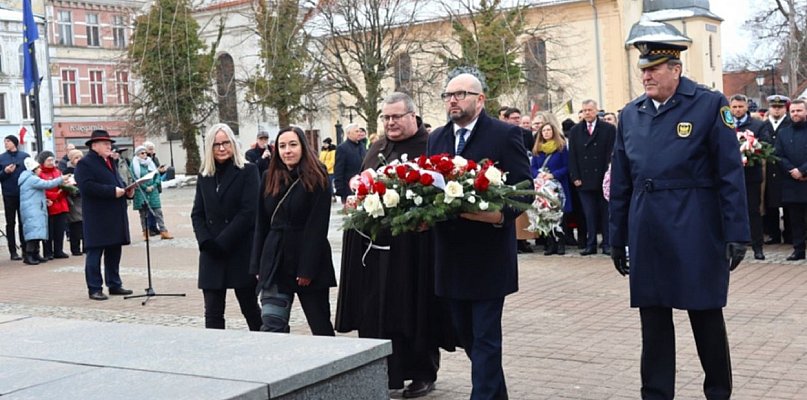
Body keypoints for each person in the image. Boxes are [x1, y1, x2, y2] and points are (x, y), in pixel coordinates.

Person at [609, 36, 750, 399]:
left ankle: (718, 390)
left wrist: (737, 232)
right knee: (653, 318)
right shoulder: (630, 114)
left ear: (676, 69)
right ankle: (655, 393)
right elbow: (622, 179)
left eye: (654, 69)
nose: (646, 76)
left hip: (695, 225)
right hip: (647, 226)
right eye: (643, 70)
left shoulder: (708, 105)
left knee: (704, 313)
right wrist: (617, 236)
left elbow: (730, 174)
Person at [336, 92, 455, 398]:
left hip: (416, 247)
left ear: (413, 116)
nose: (390, 123)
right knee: (380, 311)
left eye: (396, 117)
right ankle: (387, 373)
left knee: (416, 308)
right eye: (386, 117)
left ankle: (422, 372)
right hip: (376, 247)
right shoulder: (376, 147)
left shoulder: (430, 145)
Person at [427, 72, 532, 399]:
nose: (453, 100)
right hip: (450, 255)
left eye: (460, 94)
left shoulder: (504, 134)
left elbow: (524, 189)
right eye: (448, 95)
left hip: (488, 255)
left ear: (480, 99)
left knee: (486, 338)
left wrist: (500, 215)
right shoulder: (437, 138)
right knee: (467, 336)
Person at [250, 126, 336, 336]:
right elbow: (261, 223)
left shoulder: (318, 176)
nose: (287, 150)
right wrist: (258, 263)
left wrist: (307, 268)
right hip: (275, 259)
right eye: (282, 146)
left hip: (308, 261)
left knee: (320, 326)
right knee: (272, 326)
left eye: (292, 145)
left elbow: (317, 227)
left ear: (303, 147)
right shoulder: (268, 176)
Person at [191, 123, 262, 331]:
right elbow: (198, 213)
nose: (221, 148)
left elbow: (249, 212)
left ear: (233, 144)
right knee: (212, 312)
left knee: (249, 307)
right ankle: (214, 353)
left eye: (225, 143)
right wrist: (205, 241)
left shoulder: (248, 170)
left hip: (240, 248)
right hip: (211, 251)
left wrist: (223, 241)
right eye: (216, 144)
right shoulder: (205, 175)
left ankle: (264, 345)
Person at [75, 130, 135, 301]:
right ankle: (94, 288)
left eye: (110, 143)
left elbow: (117, 183)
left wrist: (127, 191)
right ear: (94, 146)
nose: (109, 146)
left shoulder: (110, 161)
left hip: (114, 214)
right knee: (95, 253)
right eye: (105, 143)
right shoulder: (85, 163)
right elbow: (86, 187)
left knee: (114, 251)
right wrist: (111, 191)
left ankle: (114, 284)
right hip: (97, 217)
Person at [568, 99, 615, 256]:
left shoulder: (608, 129)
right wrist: (575, 176)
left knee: (605, 212)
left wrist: (609, 175)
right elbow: (572, 156)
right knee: (589, 214)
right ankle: (591, 244)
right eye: (584, 110)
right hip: (584, 179)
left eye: (590, 110)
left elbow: (611, 153)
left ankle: (607, 244)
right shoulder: (575, 131)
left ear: (596, 111)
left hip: (602, 177)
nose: (587, 113)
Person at [730, 94, 768, 260]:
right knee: (731, 210)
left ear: (746, 107)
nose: (737, 110)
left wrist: (751, 149)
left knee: (753, 211)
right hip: (730, 176)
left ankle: (757, 246)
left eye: (740, 107)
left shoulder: (758, 125)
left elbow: (766, 146)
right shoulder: (725, 122)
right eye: (735, 107)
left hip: (751, 174)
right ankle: (733, 243)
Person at [531, 121, 572, 255]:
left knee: (559, 214)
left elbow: (567, 166)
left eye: (549, 130)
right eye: (544, 131)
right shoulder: (538, 150)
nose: (546, 133)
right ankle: (550, 244)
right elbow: (532, 167)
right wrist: (539, 174)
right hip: (543, 187)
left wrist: (553, 175)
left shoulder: (561, 148)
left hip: (558, 186)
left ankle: (561, 243)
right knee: (545, 213)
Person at [774, 99, 807, 261]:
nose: (796, 114)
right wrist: (792, 170)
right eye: (793, 111)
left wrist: (802, 170)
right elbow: (778, 155)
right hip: (791, 182)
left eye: (799, 111)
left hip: (805, 178)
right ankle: (798, 249)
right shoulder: (783, 133)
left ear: (806, 112)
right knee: (795, 219)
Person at [18, 157, 66, 265]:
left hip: (34, 208)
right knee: (33, 233)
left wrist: (45, 200)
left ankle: (36, 253)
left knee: (36, 232)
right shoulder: (32, 179)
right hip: (33, 210)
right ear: (34, 169)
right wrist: (61, 178)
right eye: (38, 168)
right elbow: (47, 184)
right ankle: (29, 254)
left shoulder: (28, 178)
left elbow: (34, 195)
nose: (40, 170)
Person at [761, 94, 792, 244]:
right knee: (770, 202)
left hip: (784, 169)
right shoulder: (764, 125)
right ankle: (774, 234)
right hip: (768, 169)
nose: (777, 110)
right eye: (774, 107)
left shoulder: (789, 123)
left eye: (780, 107)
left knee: (787, 203)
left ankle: (789, 234)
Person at [131, 146, 173, 240]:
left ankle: (163, 231)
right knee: (143, 213)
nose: (145, 155)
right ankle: (145, 232)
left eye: (145, 153)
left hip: (153, 191)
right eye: (142, 153)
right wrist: (145, 187)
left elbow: (157, 175)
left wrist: (154, 186)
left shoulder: (150, 162)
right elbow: (135, 178)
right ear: (137, 154)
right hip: (141, 191)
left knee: (158, 211)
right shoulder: (134, 164)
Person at [0, 135, 30, 261]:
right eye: (5, 141)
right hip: (8, 194)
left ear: (15, 143)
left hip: (23, 193)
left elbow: (31, 172)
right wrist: (5, 172)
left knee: (24, 222)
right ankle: (13, 251)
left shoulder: (24, 156)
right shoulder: (2, 158)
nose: (6, 143)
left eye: (8, 141)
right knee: (10, 223)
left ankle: (25, 249)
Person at [37, 151, 70, 260]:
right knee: (49, 231)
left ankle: (58, 251)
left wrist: (67, 188)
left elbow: (63, 185)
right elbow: (42, 190)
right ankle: (48, 252)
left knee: (60, 230)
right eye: (49, 160)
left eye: (52, 160)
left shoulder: (58, 172)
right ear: (43, 162)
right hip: (49, 205)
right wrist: (56, 194)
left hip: (61, 204)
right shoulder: (40, 174)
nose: (51, 162)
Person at [333, 123, 366, 204]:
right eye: (356, 131)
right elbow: (338, 170)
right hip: (348, 189)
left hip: (363, 188)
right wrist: (340, 189)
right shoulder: (342, 148)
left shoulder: (362, 146)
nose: (359, 133)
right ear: (348, 133)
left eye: (359, 131)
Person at [64, 149, 84, 256]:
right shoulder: (67, 171)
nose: (79, 160)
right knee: (75, 226)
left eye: (80, 157)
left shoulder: (85, 169)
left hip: (83, 200)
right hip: (73, 201)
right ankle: (75, 248)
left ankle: (86, 246)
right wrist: (73, 190)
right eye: (76, 158)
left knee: (85, 226)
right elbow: (65, 184)